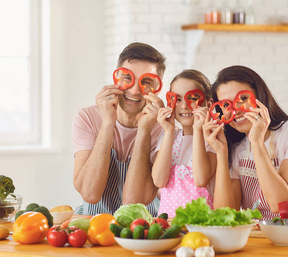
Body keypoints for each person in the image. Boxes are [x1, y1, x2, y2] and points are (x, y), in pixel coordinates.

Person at [203, 65, 288, 230]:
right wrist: (221, 153)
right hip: (262, 238)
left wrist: (257, 142)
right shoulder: (238, 148)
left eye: (242, 100)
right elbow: (225, 215)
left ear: (260, 97)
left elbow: (280, 204)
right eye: (226, 106)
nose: (236, 112)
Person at [72, 42, 166, 216]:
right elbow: (90, 194)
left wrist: (144, 130)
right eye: (127, 78)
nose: (135, 90)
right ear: (116, 79)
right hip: (94, 226)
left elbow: (134, 202)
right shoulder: (87, 117)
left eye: (146, 82)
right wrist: (108, 122)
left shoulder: (164, 128)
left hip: (142, 229)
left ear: (157, 89)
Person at [152, 70, 216, 217]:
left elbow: (201, 179)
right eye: (177, 99)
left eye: (193, 98)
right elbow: (159, 180)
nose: (184, 106)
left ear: (208, 103)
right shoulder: (168, 135)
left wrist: (198, 129)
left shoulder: (212, 138)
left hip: (201, 225)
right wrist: (168, 130)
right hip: (168, 225)